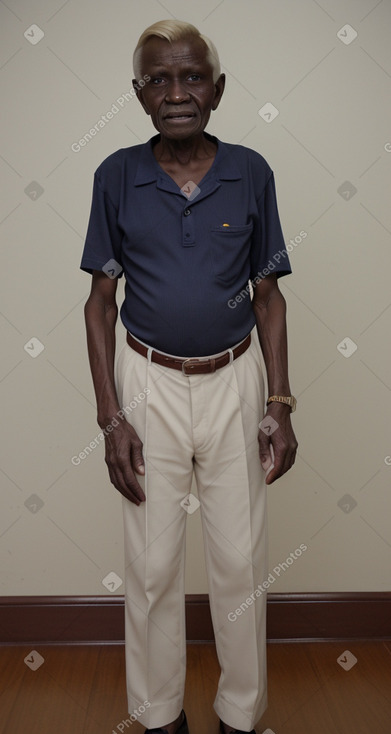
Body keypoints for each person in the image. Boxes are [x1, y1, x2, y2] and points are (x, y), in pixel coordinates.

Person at [80, 19, 298, 734]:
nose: (177, 93)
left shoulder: (250, 172)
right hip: (147, 385)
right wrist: (111, 419)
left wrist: (279, 401)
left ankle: (240, 714)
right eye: (159, 80)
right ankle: (159, 713)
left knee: (239, 562)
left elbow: (266, 293)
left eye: (192, 76)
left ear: (218, 88)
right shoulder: (116, 175)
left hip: (234, 381)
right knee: (151, 566)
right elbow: (99, 303)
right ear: (139, 93)